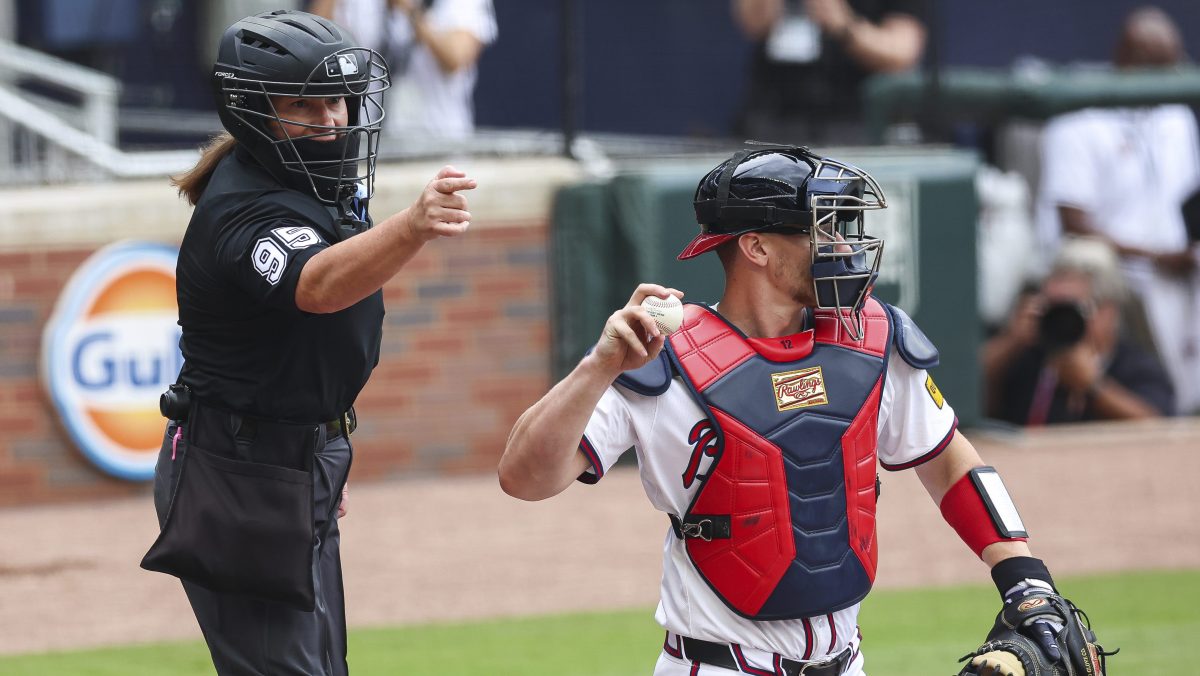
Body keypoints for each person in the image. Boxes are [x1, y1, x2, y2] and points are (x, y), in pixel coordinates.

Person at [499, 146, 1110, 675]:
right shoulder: (658, 356)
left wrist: (1022, 575)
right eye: (822, 228)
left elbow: (952, 462)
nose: (842, 244)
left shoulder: (868, 336)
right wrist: (598, 365)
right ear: (757, 246)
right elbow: (523, 478)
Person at [141, 10, 475, 675]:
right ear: (255, 112)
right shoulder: (242, 205)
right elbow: (315, 286)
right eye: (304, 104)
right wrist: (412, 227)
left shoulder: (316, 183)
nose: (331, 120)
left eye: (338, 101)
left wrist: (319, 448)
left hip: (294, 457)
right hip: (238, 468)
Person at [1036, 6, 1200, 415]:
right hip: (1109, 275)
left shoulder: (1178, 116)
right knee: (1098, 263)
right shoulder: (1078, 116)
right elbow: (1074, 225)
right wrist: (1159, 257)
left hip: (1174, 268)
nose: (1172, 76)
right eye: (1160, 66)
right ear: (1129, 62)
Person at [983, 238, 1175, 425]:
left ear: (1107, 312)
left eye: (1074, 309)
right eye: (1053, 307)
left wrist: (1094, 387)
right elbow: (964, 389)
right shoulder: (1029, 354)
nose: (1062, 319)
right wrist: (1011, 340)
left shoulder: (1135, 365)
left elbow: (1158, 427)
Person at [732, 0, 928, 144]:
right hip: (774, 115)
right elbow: (752, 23)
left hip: (855, 121)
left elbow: (902, 52)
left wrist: (845, 27)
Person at [309, 0, 497, 143]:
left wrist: (410, 10)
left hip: (439, 138)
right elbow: (315, 45)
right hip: (371, 139)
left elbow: (455, 58)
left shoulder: (460, 4)